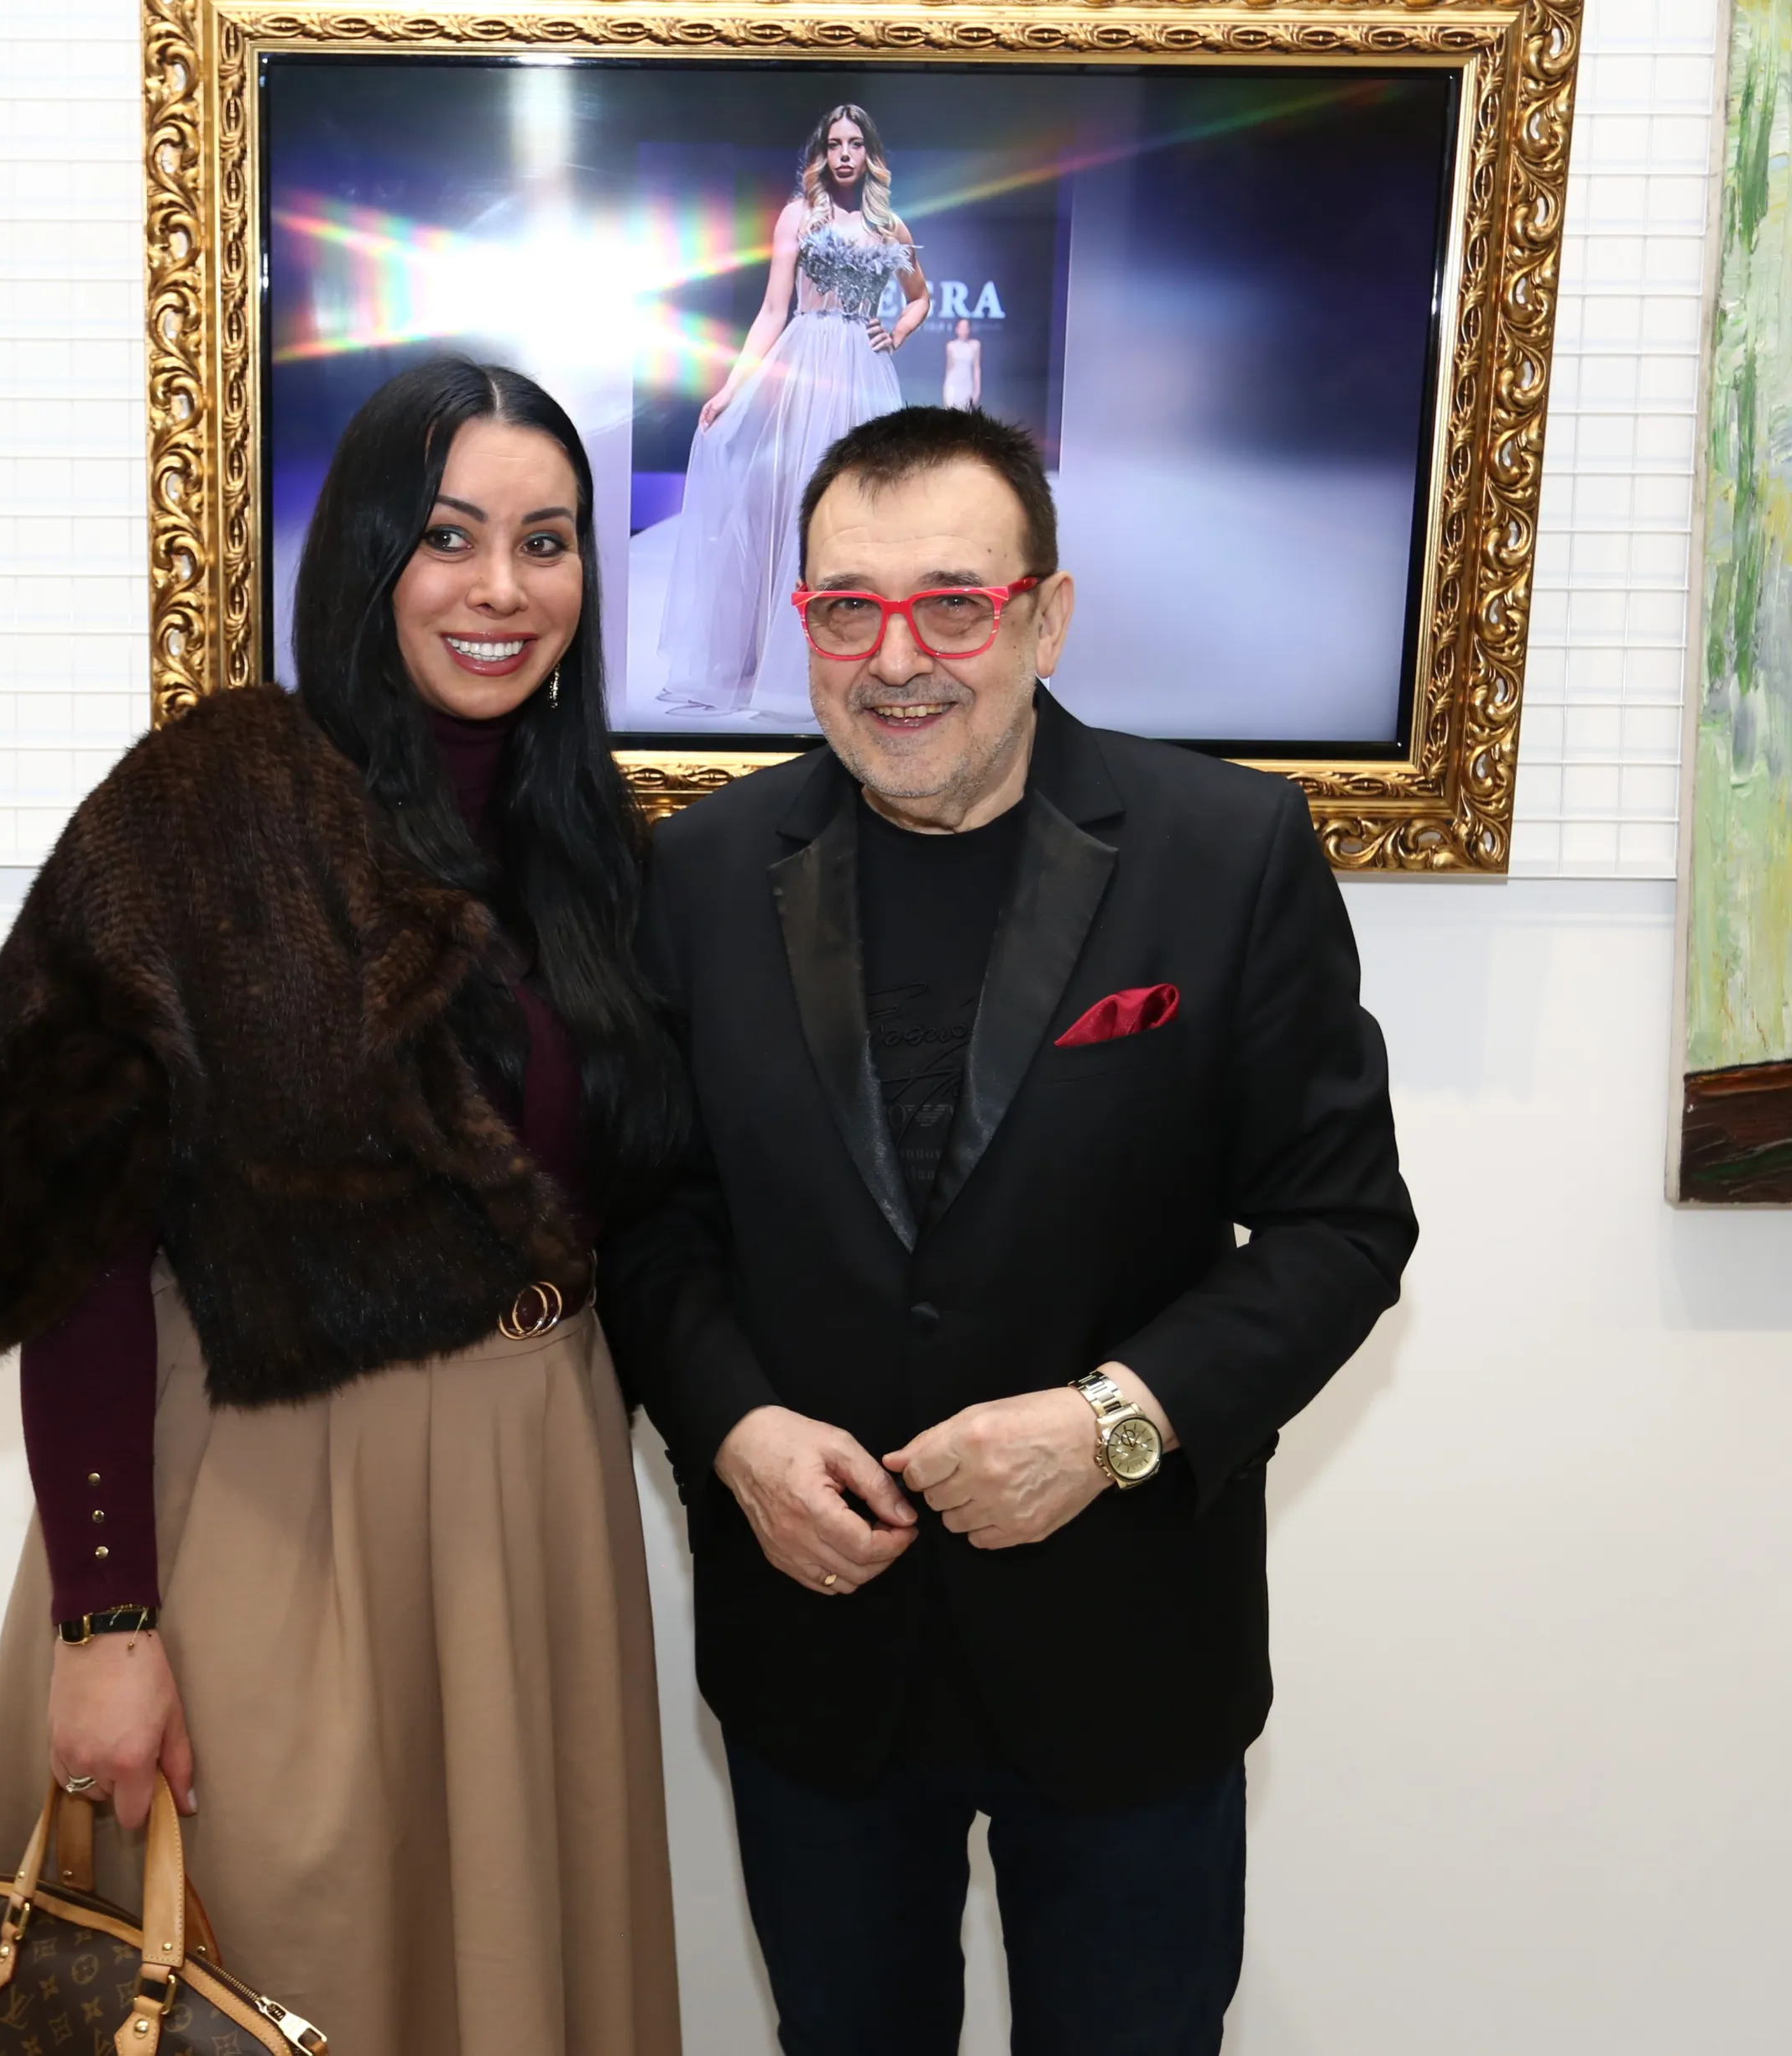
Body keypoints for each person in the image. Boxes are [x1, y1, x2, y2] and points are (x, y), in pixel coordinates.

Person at [603, 404, 1417, 2055]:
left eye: (954, 605)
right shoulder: (695, 874)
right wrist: (736, 1429)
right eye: (848, 608)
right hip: (817, 1652)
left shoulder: (1227, 852)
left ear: (1046, 617)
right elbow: (648, 1222)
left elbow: (1340, 1226)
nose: (897, 658)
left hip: (1128, 1654)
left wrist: (1113, 1422)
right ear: (803, 623)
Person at [0, 359, 687, 2056]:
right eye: (447, 537)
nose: (500, 588)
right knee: (262, 1983)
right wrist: (106, 1621)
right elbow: (75, 1249)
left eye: (546, 542)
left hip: (538, 1505)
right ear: (364, 557)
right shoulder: (204, 813)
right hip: (268, 1526)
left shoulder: (596, 848)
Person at [658, 103, 928, 725]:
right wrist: (732, 388)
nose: (843, 154)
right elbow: (771, 311)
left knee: (858, 509)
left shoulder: (889, 224)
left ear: (870, 154)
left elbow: (920, 296)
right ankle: (773, 664)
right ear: (821, 152)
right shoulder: (798, 216)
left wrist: (896, 332)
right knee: (783, 508)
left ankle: (854, 658)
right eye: (834, 143)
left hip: (861, 375)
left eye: (854, 143)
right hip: (802, 368)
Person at [940, 316, 981, 410]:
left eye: (966, 328)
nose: (964, 331)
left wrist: (977, 390)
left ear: (969, 329)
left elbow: (976, 369)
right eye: (961, 328)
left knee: (966, 413)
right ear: (956, 329)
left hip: (967, 386)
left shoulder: (975, 345)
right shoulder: (950, 346)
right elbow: (949, 368)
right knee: (951, 413)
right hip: (952, 385)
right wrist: (945, 388)